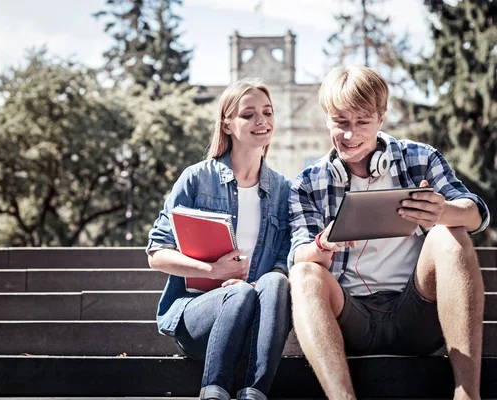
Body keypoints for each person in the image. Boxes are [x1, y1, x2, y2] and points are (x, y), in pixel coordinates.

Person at [288, 65, 490, 400]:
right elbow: (299, 252)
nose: (350, 135)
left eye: (362, 122)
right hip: (351, 319)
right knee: (304, 271)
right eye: (341, 123)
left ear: (381, 119)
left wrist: (443, 211)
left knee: (449, 234)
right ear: (327, 119)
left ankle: (467, 396)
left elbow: (475, 213)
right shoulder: (308, 183)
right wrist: (322, 243)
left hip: (416, 314)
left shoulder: (421, 159)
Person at [146, 77, 292, 400]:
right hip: (199, 317)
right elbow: (156, 253)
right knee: (237, 293)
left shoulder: (284, 191)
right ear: (227, 124)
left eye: (268, 113)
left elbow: (284, 261)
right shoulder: (197, 179)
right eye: (249, 114)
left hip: (257, 320)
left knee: (277, 282)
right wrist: (214, 271)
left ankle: (255, 392)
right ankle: (213, 391)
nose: (262, 121)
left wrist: (260, 284)